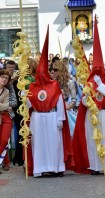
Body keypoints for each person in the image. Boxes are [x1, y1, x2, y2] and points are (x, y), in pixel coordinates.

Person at [73, 18, 105, 175]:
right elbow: (82, 101)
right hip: (91, 114)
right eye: (94, 68)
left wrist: (100, 85)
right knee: (92, 139)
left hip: (104, 113)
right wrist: (86, 94)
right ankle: (94, 166)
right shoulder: (88, 80)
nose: (96, 70)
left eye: (99, 67)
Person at [26, 28, 74, 177]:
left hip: (53, 117)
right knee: (39, 145)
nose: (40, 76)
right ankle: (40, 169)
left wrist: (60, 118)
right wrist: (25, 97)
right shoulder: (32, 87)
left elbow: (59, 101)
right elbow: (29, 105)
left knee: (55, 144)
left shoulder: (53, 85)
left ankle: (56, 168)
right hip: (37, 118)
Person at [0, 69, 13, 173]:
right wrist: (4, 106)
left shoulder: (7, 91)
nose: (4, 79)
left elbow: (8, 105)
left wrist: (5, 106)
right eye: (2, 77)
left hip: (7, 117)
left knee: (4, 140)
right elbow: (5, 106)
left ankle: (5, 162)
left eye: (6, 78)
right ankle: (6, 162)